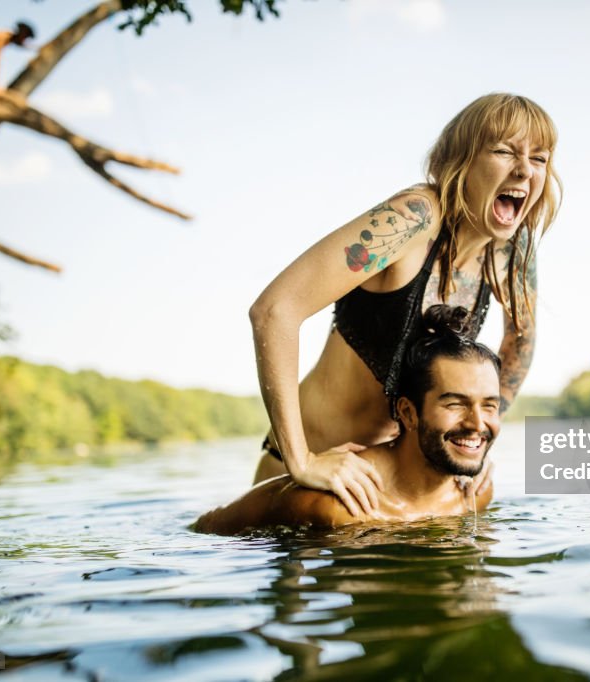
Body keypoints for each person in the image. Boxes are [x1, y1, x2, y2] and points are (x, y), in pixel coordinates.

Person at [250, 93, 561, 518]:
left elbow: (520, 343)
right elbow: (275, 310)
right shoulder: (412, 219)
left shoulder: (511, 248)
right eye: (505, 151)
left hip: (395, 484)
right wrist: (302, 459)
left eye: (539, 158)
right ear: (463, 161)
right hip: (310, 473)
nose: (524, 169)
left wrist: (474, 441)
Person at [196, 305, 501, 534]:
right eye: (456, 404)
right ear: (409, 412)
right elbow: (206, 531)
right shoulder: (338, 507)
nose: (477, 423)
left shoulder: (475, 495)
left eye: (489, 406)